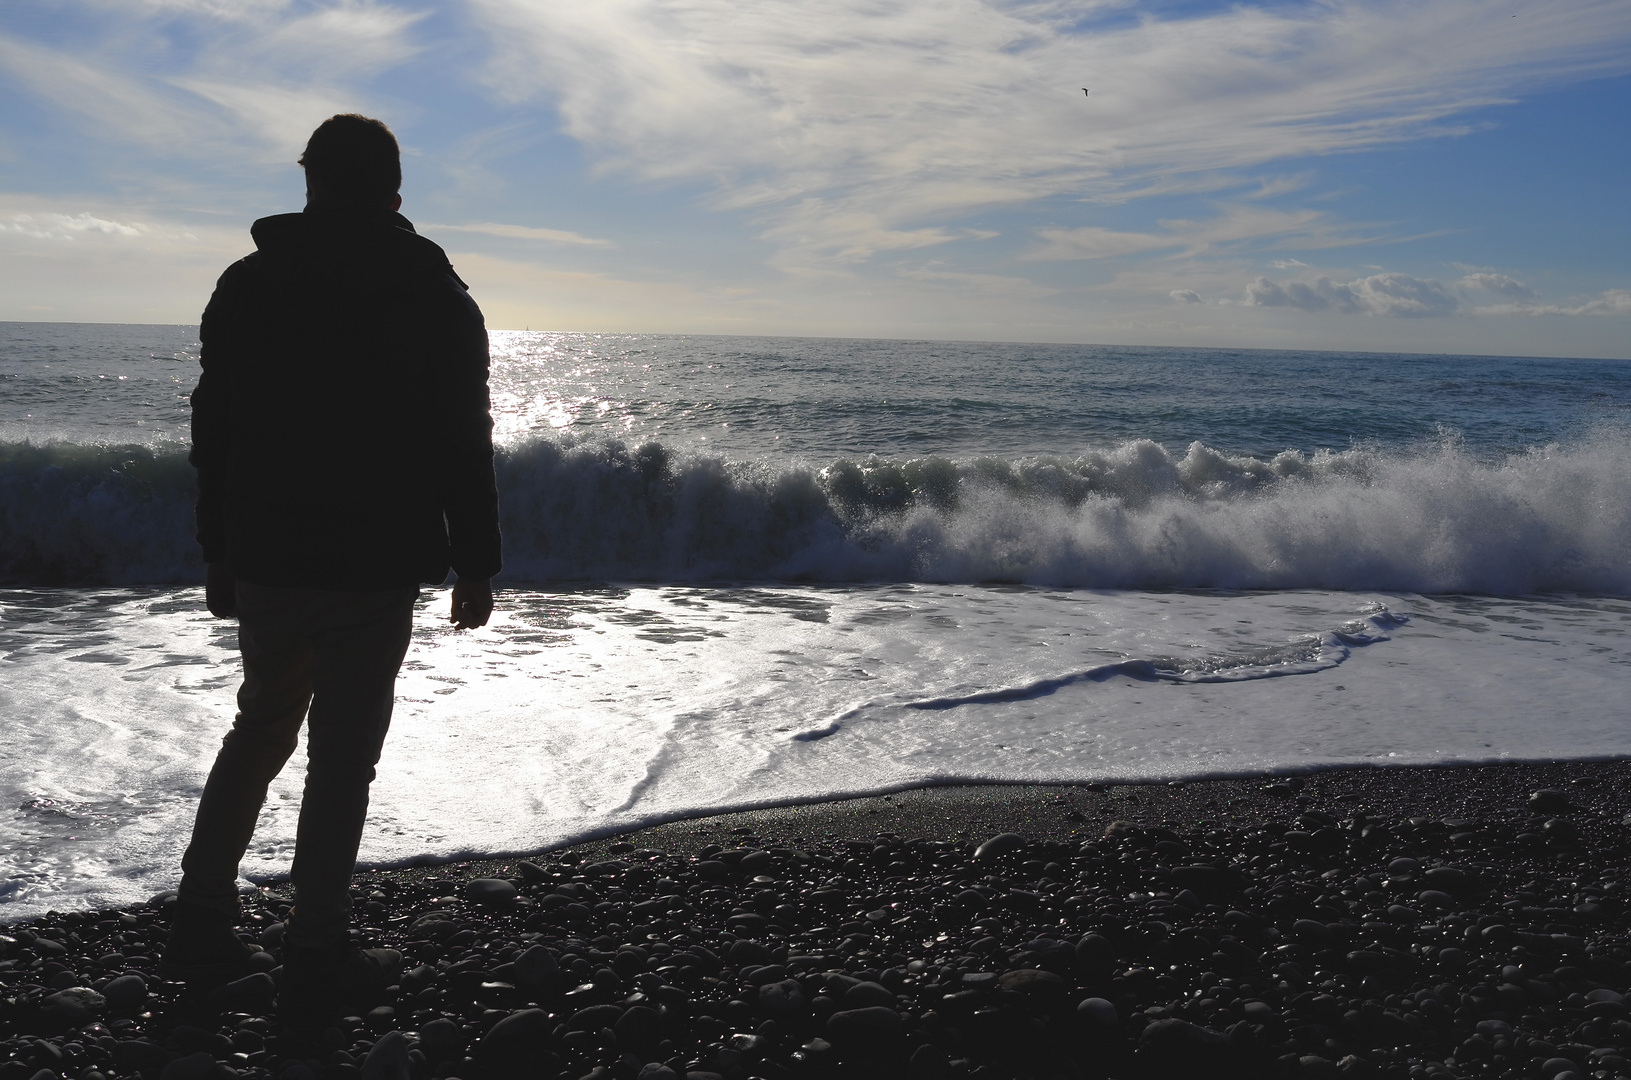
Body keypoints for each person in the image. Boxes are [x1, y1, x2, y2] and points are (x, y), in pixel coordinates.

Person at [164, 114, 501, 1022]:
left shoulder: (248, 283)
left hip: (269, 552)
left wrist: (220, 551)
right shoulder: (432, 294)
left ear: (311, 183)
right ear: (394, 190)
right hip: (371, 560)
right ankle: (315, 941)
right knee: (342, 758)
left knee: (261, 725)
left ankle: (201, 909)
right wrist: (476, 563)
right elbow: (461, 441)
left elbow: (214, 433)